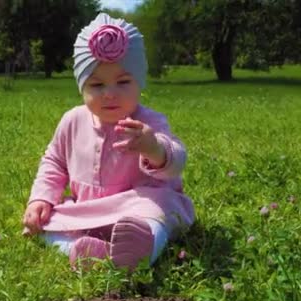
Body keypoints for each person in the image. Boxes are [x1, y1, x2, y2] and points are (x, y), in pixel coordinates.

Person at [22, 12, 194, 270]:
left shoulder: (149, 122)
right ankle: (83, 251)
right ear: (82, 87)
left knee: (161, 210)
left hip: (139, 207)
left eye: (123, 82)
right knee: (45, 222)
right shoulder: (72, 121)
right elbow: (55, 162)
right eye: (97, 85)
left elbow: (177, 161)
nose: (110, 94)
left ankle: (142, 249)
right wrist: (41, 199)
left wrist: (154, 148)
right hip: (89, 210)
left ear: (140, 82)